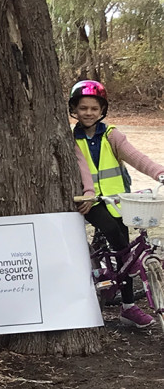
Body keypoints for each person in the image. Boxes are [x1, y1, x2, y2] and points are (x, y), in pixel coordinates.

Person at [71, 80, 164, 328]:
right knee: (116, 237)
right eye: (83, 108)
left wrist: (159, 173)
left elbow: (136, 157)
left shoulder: (111, 135)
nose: (88, 113)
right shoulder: (71, 139)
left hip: (117, 201)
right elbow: (81, 168)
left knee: (122, 247)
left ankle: (129, 307)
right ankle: (127, 268)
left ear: (102, 111)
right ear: (74, 110)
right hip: (91, 202)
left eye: (94, 108)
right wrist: (88, 193)